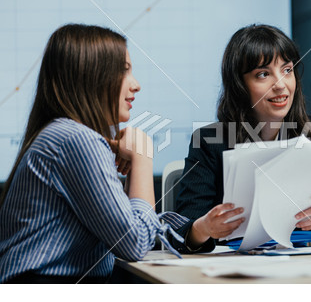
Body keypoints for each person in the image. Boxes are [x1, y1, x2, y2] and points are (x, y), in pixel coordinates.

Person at [0, 24, 186, 284]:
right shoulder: (76, 139)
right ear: (92, 76)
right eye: (124, 71)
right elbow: (135, 243)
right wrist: (143, 156)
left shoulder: (63, 134)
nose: (136, 85)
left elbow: (127, 231)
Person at [172, 24, 311, 253]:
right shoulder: (210, 141)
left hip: (308, 261)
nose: (280, 85)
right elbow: (183, 232)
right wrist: (205, 227)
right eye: (263, 74)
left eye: (287, 70)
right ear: (239, 86)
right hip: (233, 268)